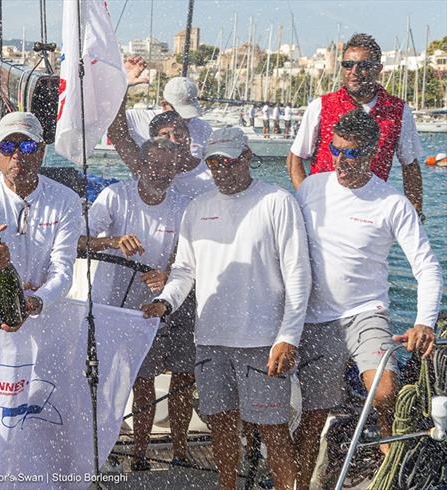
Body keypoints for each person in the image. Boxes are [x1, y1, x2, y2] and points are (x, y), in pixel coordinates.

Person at [142, 127, 311, 490]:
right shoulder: (197, 207)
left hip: (263, 343)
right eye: (214, 162)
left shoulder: (278, 201)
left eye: (229, 161)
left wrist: (288, 336)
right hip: (210, 341)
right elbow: (185, 269)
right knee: (221, 427)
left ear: (247, 157)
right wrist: (165, 302)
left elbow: (298, 274)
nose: (221, 169)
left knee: (273, 431)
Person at [293, 110, 442, 489]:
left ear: (374, 153)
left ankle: (387, 447)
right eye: (335, 150)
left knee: (385, 389)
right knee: (312, 415)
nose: (342, 161)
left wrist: (424, 320)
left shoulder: (392, 203)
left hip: (366, 313)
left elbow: (426, 266)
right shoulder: (312, 188)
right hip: (316, 317)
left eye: (353, 153)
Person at [80, 137, 196, 470]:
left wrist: (166, 273)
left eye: (168, 167)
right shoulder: (115, 196)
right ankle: (101, 447)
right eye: (155, 165)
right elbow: (79, 242)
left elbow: (182, 258)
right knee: (106, 382)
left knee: (144, 383)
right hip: (108, 309)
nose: (161, 173)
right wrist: (114, 241)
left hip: (151, 310)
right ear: (140, 166)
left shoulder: (182, 205)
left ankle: (142, 456)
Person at [0, 112, 82, 332]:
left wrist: (36, 301)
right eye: (7, 147)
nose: (16, 155)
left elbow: (62, 269)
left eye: (26, 146)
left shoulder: (66, 200)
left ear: (42, 151)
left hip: (42, 315)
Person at [287, 33, 424, 220]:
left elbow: (410, 166)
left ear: (378, 69)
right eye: (348, 65)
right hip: (324, 211)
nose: (354, 71)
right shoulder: (321, 106)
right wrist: (306, 199)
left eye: (364, 65)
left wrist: (415, 212)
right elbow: (295, 157)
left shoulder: (398, 111)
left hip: (370, 214)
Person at [108, 57, 215, 201]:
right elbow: (116, 132)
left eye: (179, 134)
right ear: (164, 105)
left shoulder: (202, 130)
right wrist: (122, 83)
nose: (173, 140)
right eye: (165, 135)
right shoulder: (145, 167)